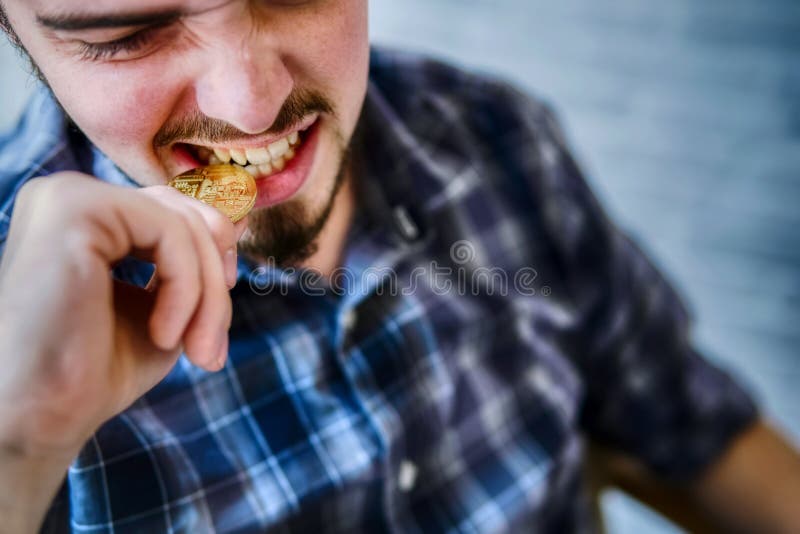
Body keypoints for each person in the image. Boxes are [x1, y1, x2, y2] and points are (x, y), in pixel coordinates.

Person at [0, 1, 798, 532]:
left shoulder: (497, 138)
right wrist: (21, 447)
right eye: (123, 32)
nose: (251, 105)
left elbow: (696, 431)